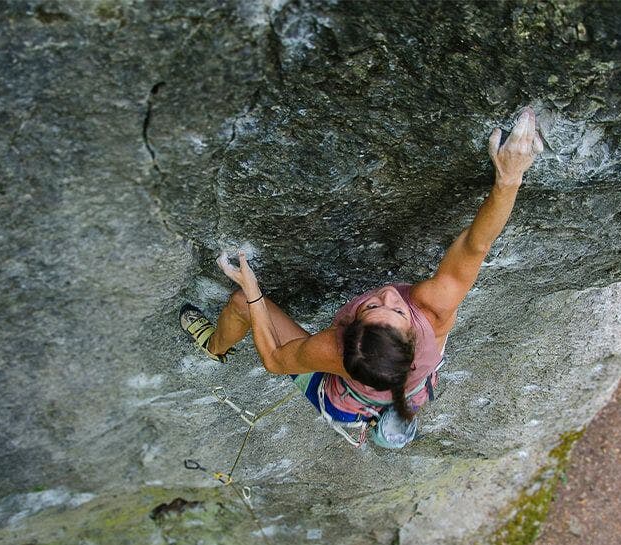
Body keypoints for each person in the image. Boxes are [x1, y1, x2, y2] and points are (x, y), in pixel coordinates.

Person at [180, 107, 542, 447]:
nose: (388, 295)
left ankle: (214, 348)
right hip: (408, 386)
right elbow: (475, 246)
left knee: (240, 304)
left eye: (375, 307)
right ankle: (388, 411)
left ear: (345, 331)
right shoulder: (433, 312)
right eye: (393, 310)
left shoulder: (334, 350)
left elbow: (276, 360)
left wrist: (253, 292)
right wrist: (510, 179)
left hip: (347, 401)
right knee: (393, 380)